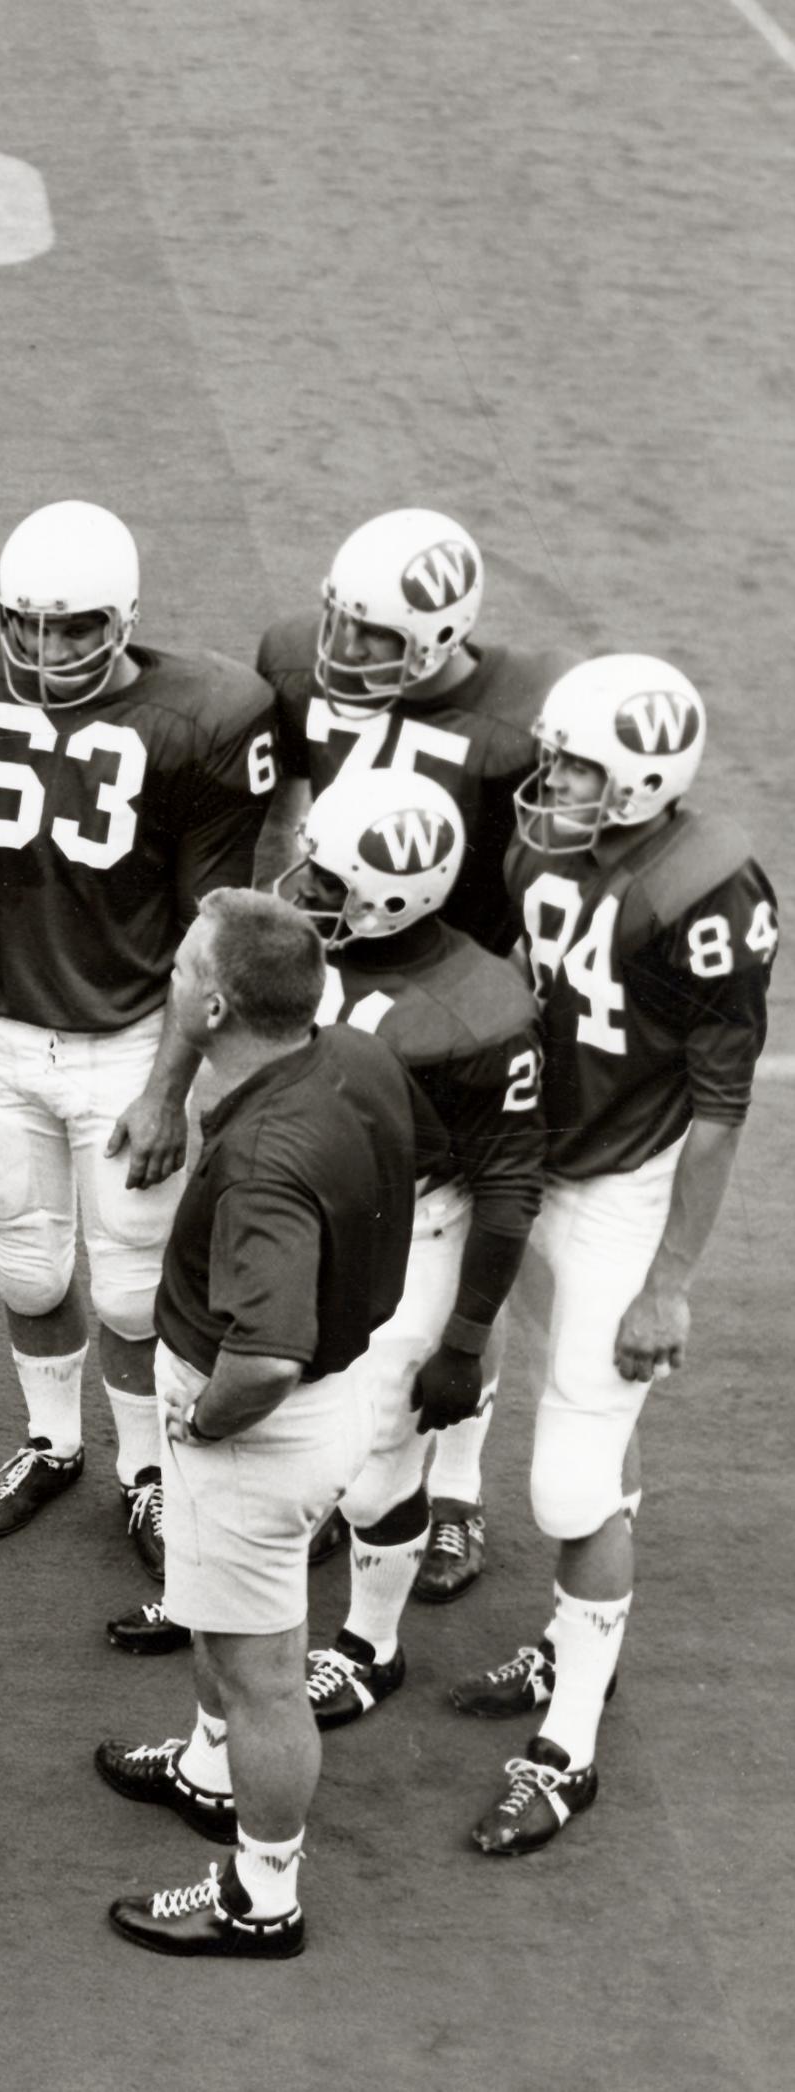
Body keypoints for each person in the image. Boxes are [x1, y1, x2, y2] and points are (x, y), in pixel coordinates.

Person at [0, 501, 275, 1571]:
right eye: (25, 625)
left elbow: (211, 932)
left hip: (127, 1040)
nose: (47, 649)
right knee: (27, 1268)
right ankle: (50, 1440)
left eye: (75, 628)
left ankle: (146, 1472)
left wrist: (169, 1087)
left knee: (128, 1286)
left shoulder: (205, 717)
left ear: (125, 620)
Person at [457, 656, 774, 1854]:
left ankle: (568, 1745)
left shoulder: (705, 886)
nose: (552, 783)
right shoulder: (539, 842)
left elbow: (716, 1106)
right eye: (552, 757)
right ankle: (568, 1638)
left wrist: (669, 1280)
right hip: (534, 1157)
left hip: (619, 1186)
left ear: (643, 779)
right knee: (577, 1413)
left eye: (580, 767)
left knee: (565, 1480)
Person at [255, 509, 580, 1601]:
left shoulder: (521, 711)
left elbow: (546, 869)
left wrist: (503, 998)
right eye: (337, 626)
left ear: (443, 636)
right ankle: (359, 1475)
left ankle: (453, 1490)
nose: (341, 656)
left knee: (449, 1278)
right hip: (345, 961)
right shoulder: (292, 661)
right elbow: (289, 809)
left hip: (457, 983)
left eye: (374, 640)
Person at [95, 890, 417, 1959]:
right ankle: (203, 1770)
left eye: (185, 965)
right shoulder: (352, 1060)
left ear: (219, 1004)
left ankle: (259, 1894)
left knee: (262, 1672)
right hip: (337, 1394)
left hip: (259, 1435)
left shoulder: (262, 1159)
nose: (171, 974)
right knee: (226, 1640)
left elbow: (266, 1355)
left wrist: (197, 1424)